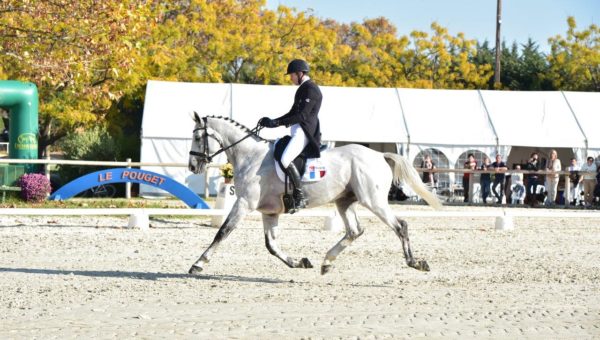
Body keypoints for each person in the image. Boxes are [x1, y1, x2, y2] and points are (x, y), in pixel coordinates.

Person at [258, 59, 323, 211]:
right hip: (296, 130)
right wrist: (273, 121)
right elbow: (292, 113)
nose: (290, 78)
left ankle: (300, 196)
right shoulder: (302, 89)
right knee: (277, 148)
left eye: (292, 75)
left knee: (285, 158)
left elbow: (302, 116)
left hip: (305, 132)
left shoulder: (311, 89)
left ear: (300, 73)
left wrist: (277, 123)